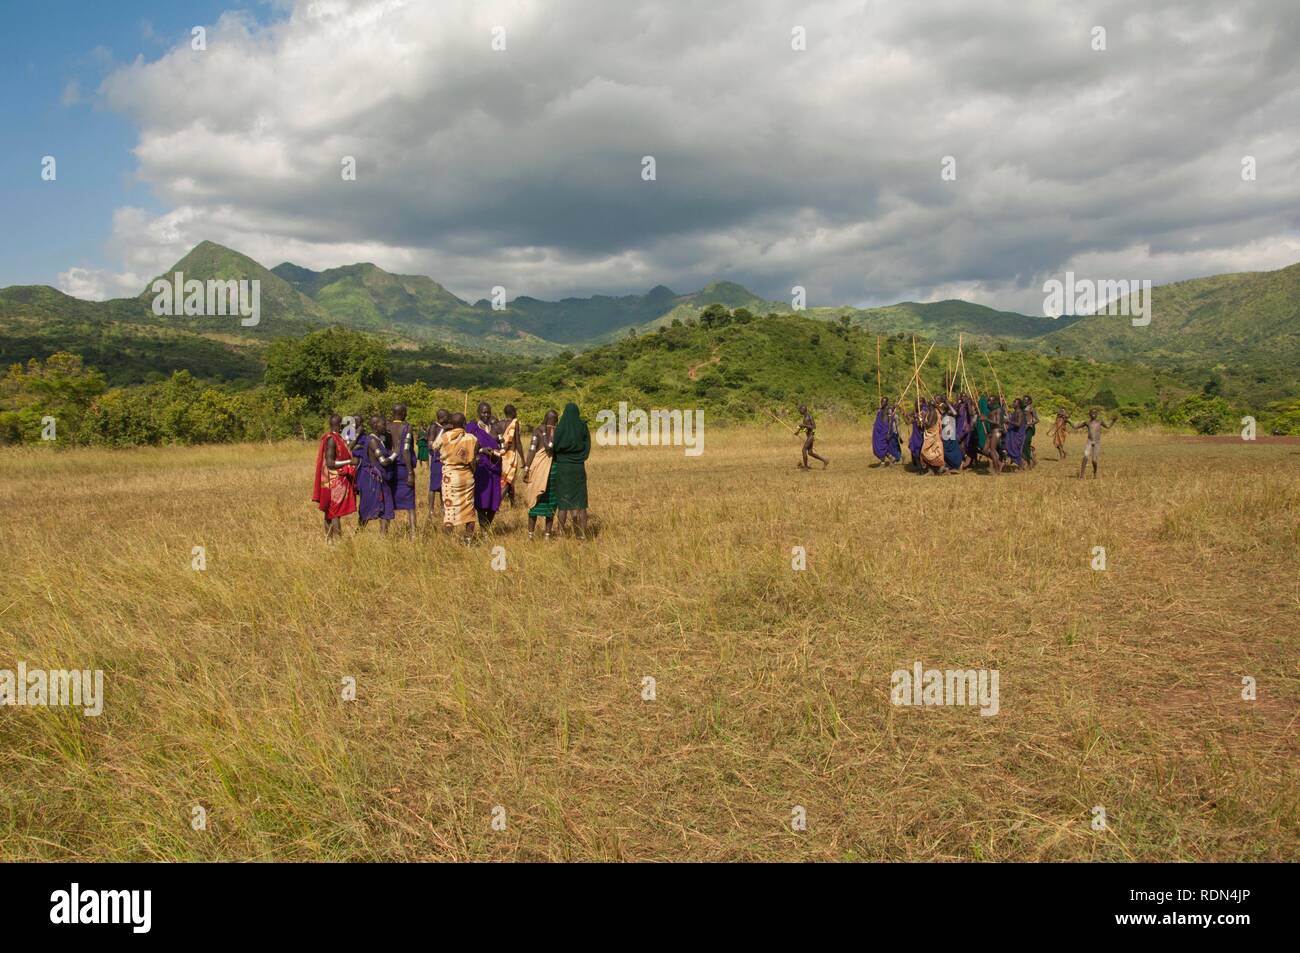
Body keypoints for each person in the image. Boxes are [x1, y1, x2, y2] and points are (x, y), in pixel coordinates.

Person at [435, 412, 480, 541]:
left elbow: (433, 446)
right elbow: (473, 460)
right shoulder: (472, 438)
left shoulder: (444, 437)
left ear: (452, 424)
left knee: (450, 510)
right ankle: (468, 540)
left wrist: (444, 429)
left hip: (450, 478)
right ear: (465, 424)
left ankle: (447, 541)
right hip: (467, 477)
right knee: (469, 508)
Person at [311, 414, 357, 540]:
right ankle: (337, 541)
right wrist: (349, 462)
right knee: (334, 512)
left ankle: (329, 540)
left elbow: (346, 448)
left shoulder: (337, 438)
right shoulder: (331, 439)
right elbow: (331, 463)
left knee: (331, 512)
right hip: (333, 481)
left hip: (335, 479)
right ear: (339, 425)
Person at [550, 402, 591, 539]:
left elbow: (554, 447)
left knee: (563, 502)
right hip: (578, 467)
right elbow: (587, 447)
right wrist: (580, 458)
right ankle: (582, 535)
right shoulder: (582, 426)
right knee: (581, 502)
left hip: (563, 467)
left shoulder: (560, 428)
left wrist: (560, 459)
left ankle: (561, 533)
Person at [465, 401, 503, 529]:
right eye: (483, 412)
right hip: (481, 468)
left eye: (488, 412)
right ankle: (485, 530)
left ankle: (487, 526)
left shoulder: (495, 427)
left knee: (494, 500)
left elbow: (503, 444)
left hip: (495, 468)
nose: (486, 415)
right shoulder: (473, 428)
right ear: (478, 413)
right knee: (481, 499)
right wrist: (481, 450)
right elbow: (468, 447)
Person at [522, 409, 558, 540]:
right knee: (550, 503)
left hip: (538, 471)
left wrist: (526, 467)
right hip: (553, 471)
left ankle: (530, 535)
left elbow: (532, 450)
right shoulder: (558, 431)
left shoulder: (537, 430)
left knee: (534, 502)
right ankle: (547, 535)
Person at [357, 414, 396, 532]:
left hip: (381, 479)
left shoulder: (381, 439)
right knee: (367, 507)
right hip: (373, 480)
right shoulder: (373, 441)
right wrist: (396, 453)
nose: (385, 427)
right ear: (375, 425)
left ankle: (383, 536)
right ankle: (359, 532)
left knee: (386, 508)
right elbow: (383, 462)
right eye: (383, 424)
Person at [387, 403, 417, 538]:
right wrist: (410, 472)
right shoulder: (407, 427)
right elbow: (405, 450)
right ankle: (413, 534)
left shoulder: (386, 427)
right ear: (403, 413)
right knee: (410, 505)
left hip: (389, 468)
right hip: (404, 468)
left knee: (388, 501)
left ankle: (384, 533)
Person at [1074, 409, 1115, 479]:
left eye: (1095, 413)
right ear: (1089, 414)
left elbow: (1108, 426)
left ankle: (1095, 472)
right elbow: (1075, 427)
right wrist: (1067, 420)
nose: (1093, 414)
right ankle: (1081, 475)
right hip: (1089, 441)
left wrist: (1114, 421)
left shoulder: (1100, 422)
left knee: (1094, 460)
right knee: (1085, 456)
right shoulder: (1087, 422)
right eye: (1092, 413)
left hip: (1097, 442)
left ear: (1097, 414)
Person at [497, 404, 522, 506]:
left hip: (501, 455)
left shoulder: (499, 424)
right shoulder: (514, 424)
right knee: (508, 480)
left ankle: (513, 503)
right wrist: (524, 460)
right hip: (511, 456)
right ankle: (497, 503)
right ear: (513, 412)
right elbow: (518, 442)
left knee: (507, 480)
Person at [426, 409, 449, 518]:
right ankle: (430, 509)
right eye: (446, 416)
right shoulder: (434, 427)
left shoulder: (446, 427)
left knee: (443, 485)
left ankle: (443, 507)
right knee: (433, 486)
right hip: (436, 459)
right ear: (442, 418)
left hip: (445, 459)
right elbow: (430, 445)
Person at [795, 404, 829, 469]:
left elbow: (813, 427)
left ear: (803, 409)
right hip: (809, 436)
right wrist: (798, 432)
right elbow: (806, 428)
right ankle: (825, 460)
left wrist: (803, 425)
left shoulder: (809, 416)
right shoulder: (804, 417)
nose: (799, 411)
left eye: (800, 410)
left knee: (803, 450)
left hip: (811, 436)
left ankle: (805, 467)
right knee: (810, 453)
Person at [919, 400, 947, 474]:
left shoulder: (933, 413)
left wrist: (922, 418)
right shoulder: (932, 412)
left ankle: (940, 466)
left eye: (928, 405)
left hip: (932, 436)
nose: (927, 406)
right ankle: (931, 470)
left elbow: (929, 425)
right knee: (930, 451)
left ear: (930, 406)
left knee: (924, 452)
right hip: (931, 435)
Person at [871, 397, 901, 466]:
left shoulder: (889, 410)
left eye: (884, 402)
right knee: (878, 445)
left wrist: (888, 432)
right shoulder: (880, 410)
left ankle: (888, 459)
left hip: (885, 429)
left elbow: (890, 421)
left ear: (887, 402)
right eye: (881, 401)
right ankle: (886, 460)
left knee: (884, 445)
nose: (882, 403)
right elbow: (876, 419)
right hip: (879, 430)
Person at [940, 399, 964, 471]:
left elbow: (955, 413)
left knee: (953, 449)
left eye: (943, 407)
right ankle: (951, 465)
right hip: (945, 434)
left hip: (950, 434)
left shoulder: (950, 413)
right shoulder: (943, 414)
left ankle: (958, 464)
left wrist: (947, 402)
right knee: (945, 451)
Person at [1022, 395, 1039, 470]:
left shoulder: (1032, 409)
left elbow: (1037, 420)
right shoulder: (1022, 408)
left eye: (1026, 400)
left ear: (1029, 401)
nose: (1024, 401)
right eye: (1024, 400)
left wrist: (1029, 424)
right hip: (1022, 429)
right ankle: (1029, 458)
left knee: (1026, 443)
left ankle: (1028, 462)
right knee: (1022, 445)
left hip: (1029, 429)